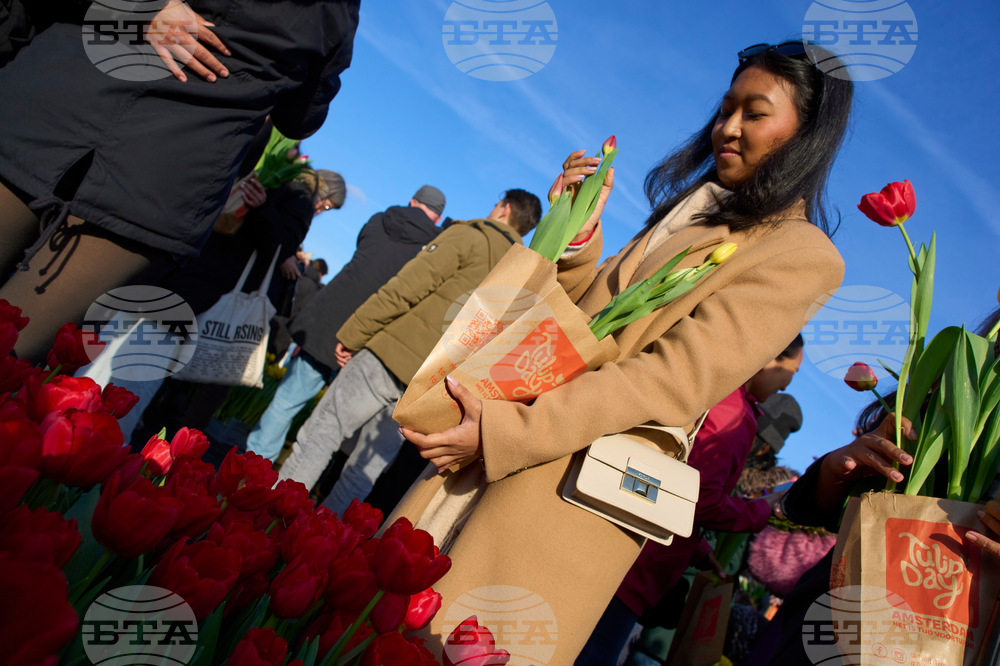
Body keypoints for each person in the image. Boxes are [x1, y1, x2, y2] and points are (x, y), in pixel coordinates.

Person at [394, 41, 855, 663]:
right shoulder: (694, 213)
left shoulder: (799, 255)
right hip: (502, 438)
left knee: (456, 640)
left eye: (755, 112)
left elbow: (671, 380)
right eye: (726, 108)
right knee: (378, 625)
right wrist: (578, 240)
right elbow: (585, 321)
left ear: (808, 135)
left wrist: (508, 432)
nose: (727, 127)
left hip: (559, 488)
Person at [0, 0, 359, 363]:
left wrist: (140, 12)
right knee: (17, 354)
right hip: (161, 176)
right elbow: (301, 116)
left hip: (56, 106)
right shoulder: (337, 9)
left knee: (19, 350)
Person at [277, 189, 542, 515]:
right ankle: (312, 547)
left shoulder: (471, 236)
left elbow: (406, 288)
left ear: (504, 209)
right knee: (364, 471)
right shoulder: (520, 272)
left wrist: (353, 333)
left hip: (388, 356)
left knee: (321, 435)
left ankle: (266, 521)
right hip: (429, 386)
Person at [576, 335, 806, 665]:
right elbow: (697, 499)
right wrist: (764, 510)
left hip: (627, 559)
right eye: (792, 372)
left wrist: (702, 552)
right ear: (771, 357)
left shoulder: (724, 401)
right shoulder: (734, 416)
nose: (786, 385)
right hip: (635, 569)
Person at [244, 185, 447, 461]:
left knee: (286, 403)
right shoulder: (434, 248)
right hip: (369, 338)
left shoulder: (379, 219)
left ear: (412, 201)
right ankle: (290, 491)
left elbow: (361, 249)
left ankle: (250, 469)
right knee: (329, 426)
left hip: (326, 319)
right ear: (437, 218)